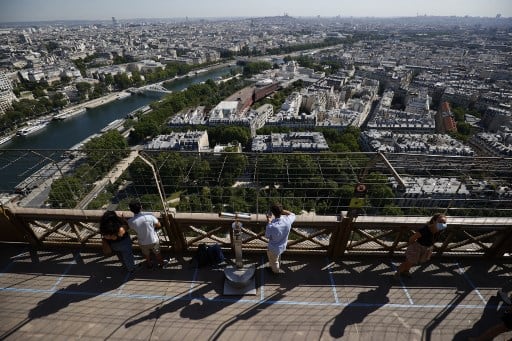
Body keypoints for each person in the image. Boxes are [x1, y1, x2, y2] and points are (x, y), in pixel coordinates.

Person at [394, 213, 448, 279]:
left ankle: (406, 271)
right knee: (409, 262)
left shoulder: (440, 231)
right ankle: (398, 273)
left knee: (413, 262)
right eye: (440, 222)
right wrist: (413, 248)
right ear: (434, 221)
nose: (442, 224)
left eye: (444, 222)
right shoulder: (425, 230)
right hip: (417, 246)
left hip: (427, 248)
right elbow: (412, 238)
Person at [127, 199, 167, 269]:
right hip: (153, 240)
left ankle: (149, 264)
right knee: (157, 253)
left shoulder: (130, 221)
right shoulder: (149, 216)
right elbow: (159, 225)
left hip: (142, 242)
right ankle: (161, 263)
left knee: (146, 254)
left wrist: (124, 219)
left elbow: (130, 226)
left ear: (131, 210)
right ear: (141, 207)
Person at [265, 203, 296, 274]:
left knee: (274, 261)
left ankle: (275, 271)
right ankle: (276, 266)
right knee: (277, 257)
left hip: (273, 248)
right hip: (282, 245)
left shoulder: (272, 226)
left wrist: (269, 221)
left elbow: (267, 236)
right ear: (281, 212)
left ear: (272, 213)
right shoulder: (287, 220)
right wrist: (282, 211)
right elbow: (293, 214)